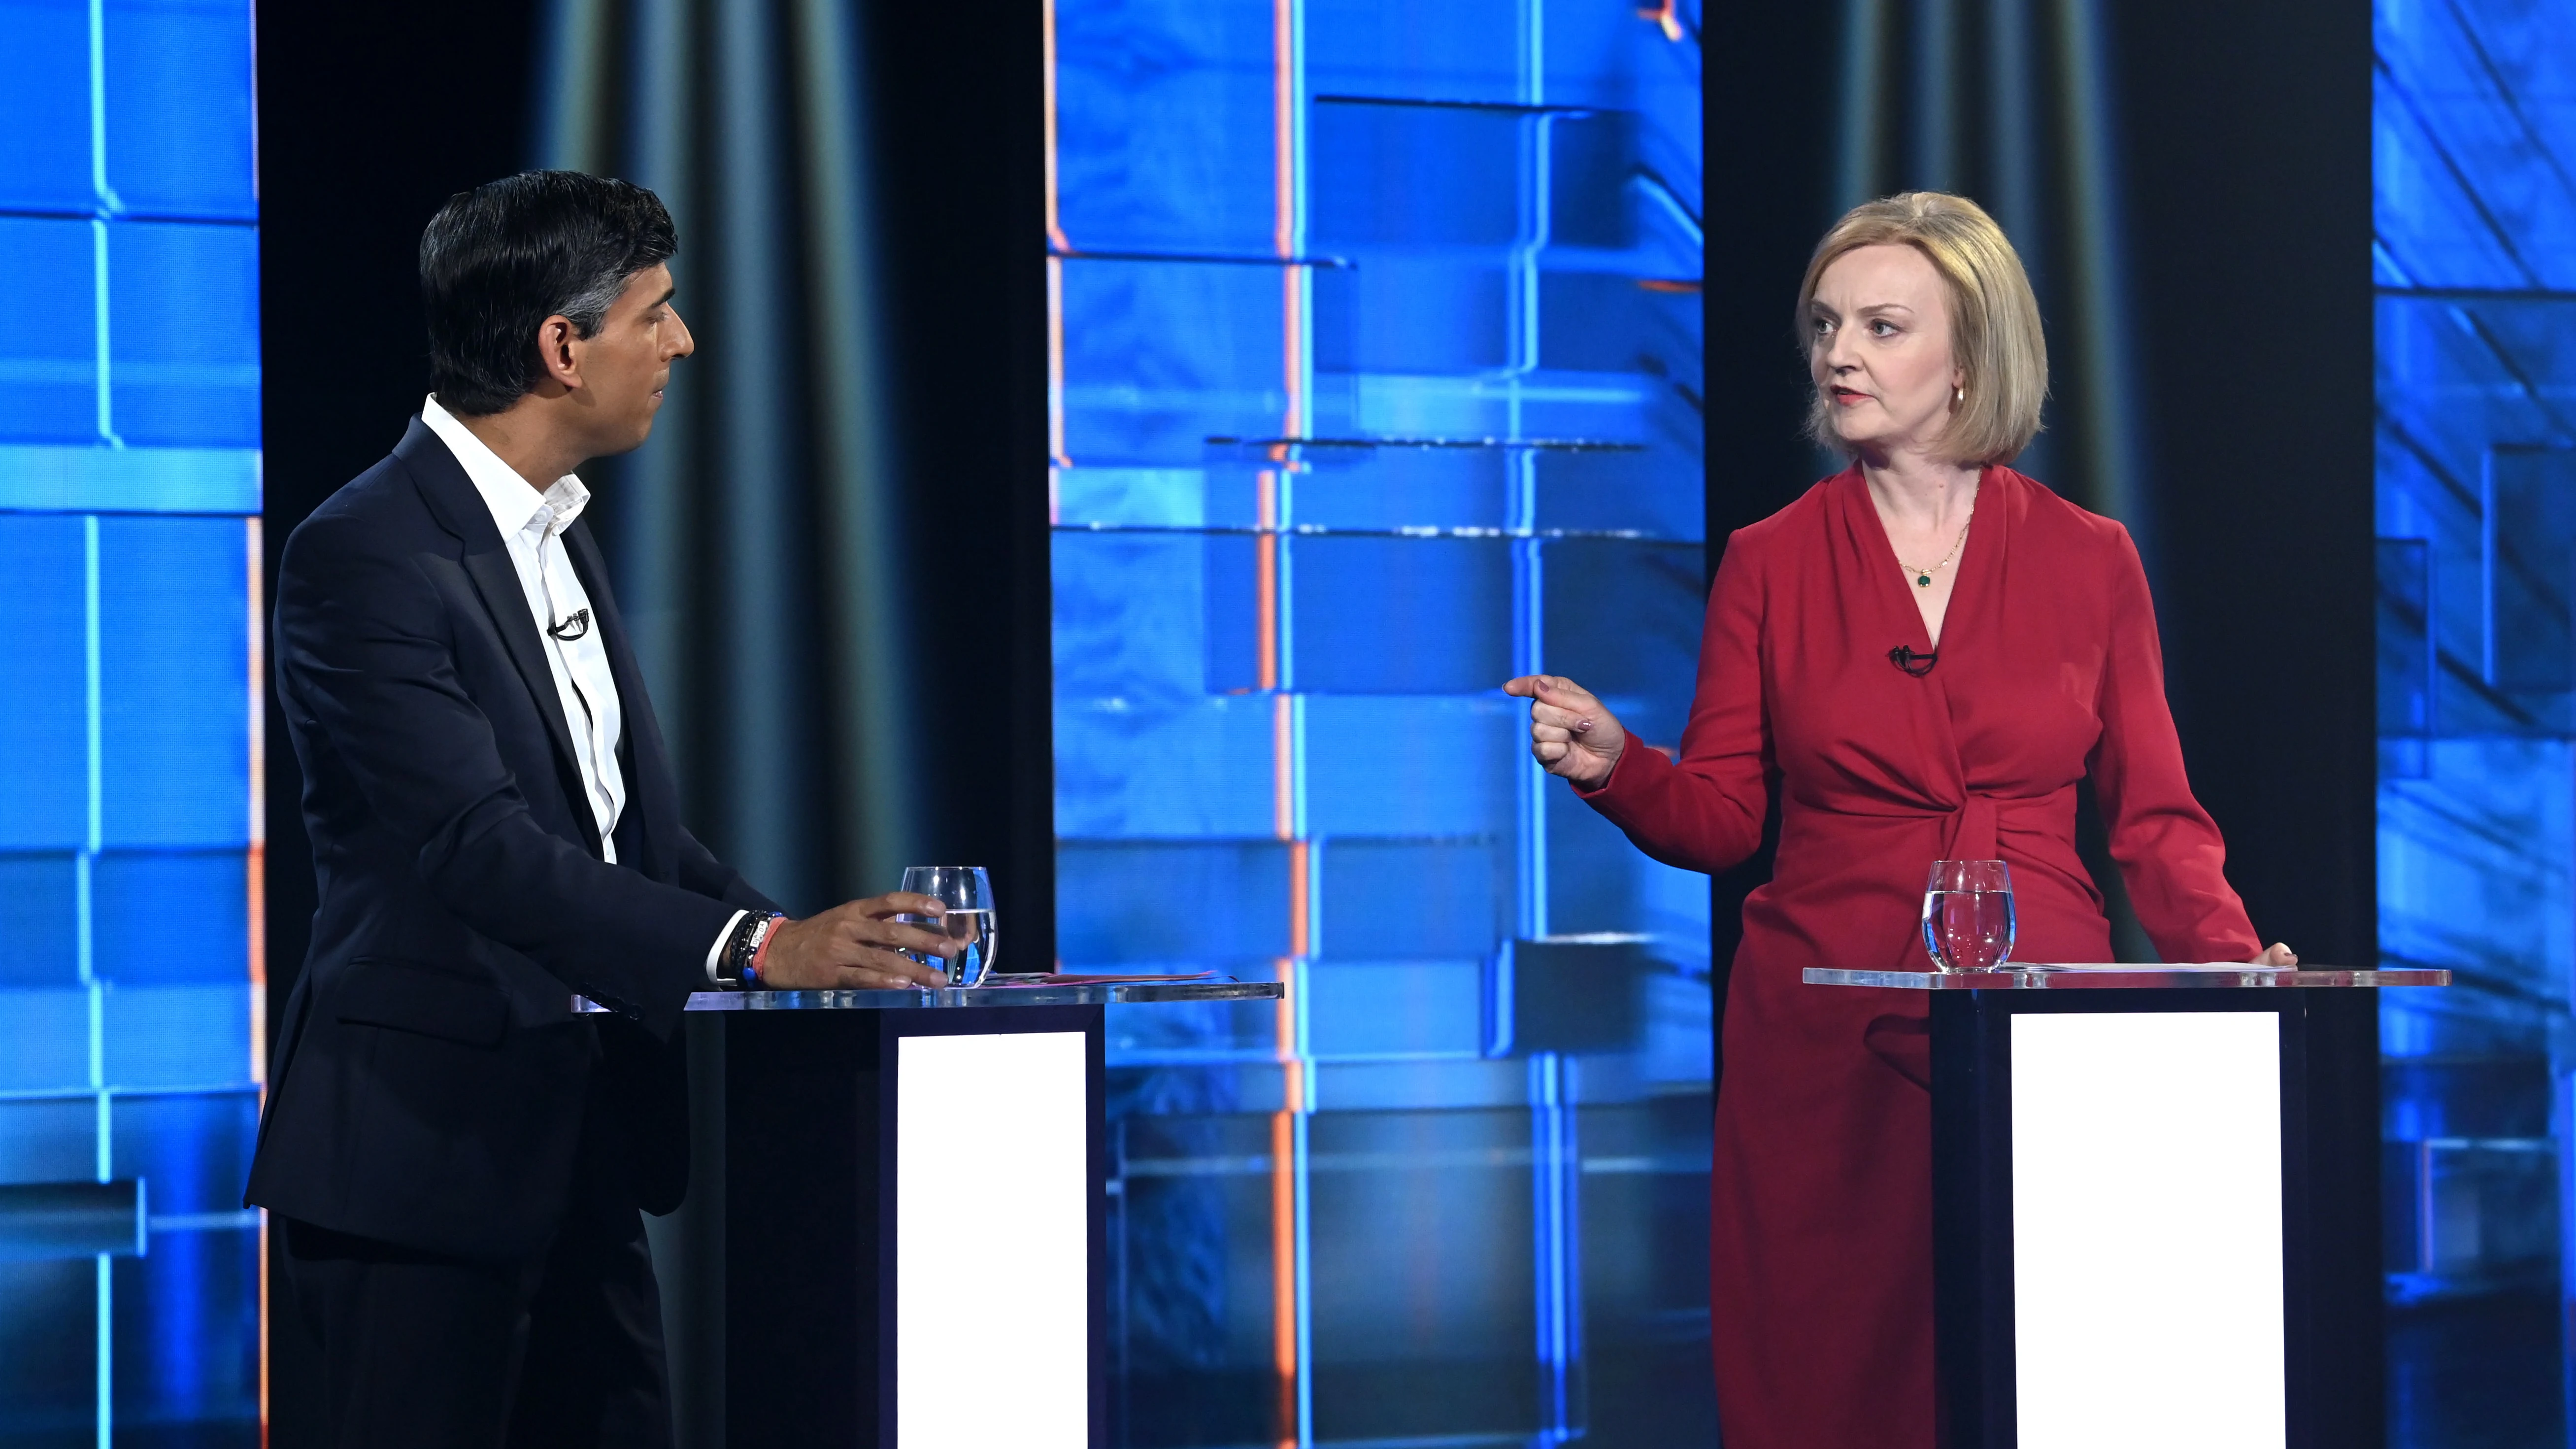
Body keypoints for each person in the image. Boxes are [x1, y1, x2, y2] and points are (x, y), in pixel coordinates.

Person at [1504, 191, 2296, 1448]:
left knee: (2041, 1363)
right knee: (1832, 1377)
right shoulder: (1769, 558)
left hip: (2041, 1018)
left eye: (1881, 326)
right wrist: (1617, 766)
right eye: (1826, 325)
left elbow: (2152, 813)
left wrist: (2227, 953)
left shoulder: (2092, 558)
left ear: (1971, 357)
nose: (1839, 355)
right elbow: (1719, 819)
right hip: (1825, 1026)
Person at [246, 171, 955, 1448]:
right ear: (561, 347)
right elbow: (478, 847)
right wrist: (752, 952)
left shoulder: (557, 532)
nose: (682, 341)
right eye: (657, 313)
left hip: (583, 1150)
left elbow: (626, 838)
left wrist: (799, 940)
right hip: (418, 1174)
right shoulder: (360, 553)